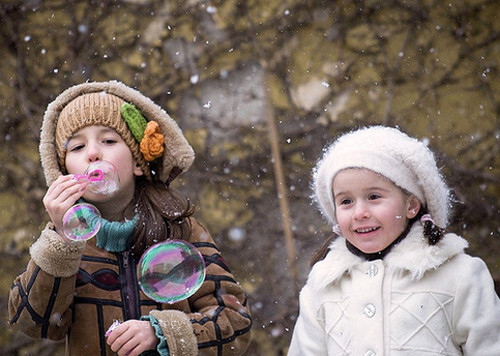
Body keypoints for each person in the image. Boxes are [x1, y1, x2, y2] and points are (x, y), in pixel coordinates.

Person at [8, 80, 252, 356]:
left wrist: (163, 333)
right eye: (76, 147)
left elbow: (236, 322)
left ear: (138, 162)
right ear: (65, 173)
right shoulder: (64, 245)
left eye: (109, 141)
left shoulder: (182, 231)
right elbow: (33, 322)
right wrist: (62, 240)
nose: (92, 153)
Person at [288, 126, 500, 355]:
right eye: (346, 201)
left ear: (411, 205)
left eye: (374, 197)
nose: (359, 212)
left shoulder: (460, 276)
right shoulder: (321, 288)